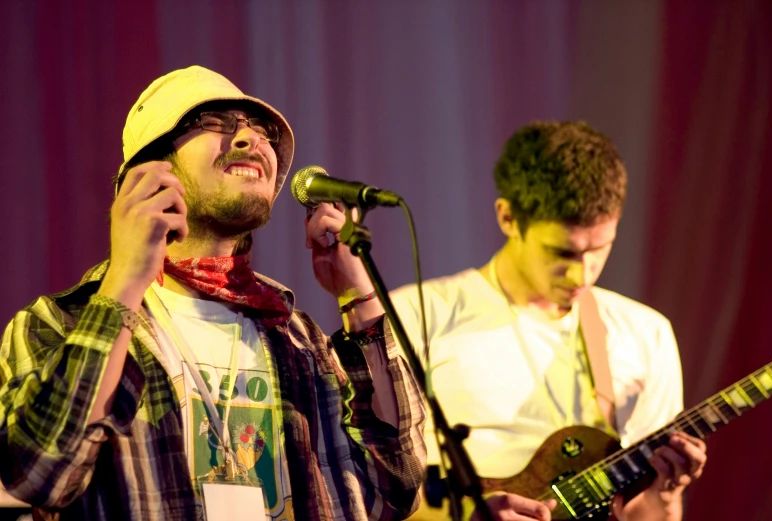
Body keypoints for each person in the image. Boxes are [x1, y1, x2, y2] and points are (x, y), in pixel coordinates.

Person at [0, 65, 426, 521]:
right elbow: (37, 474)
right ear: (149, 171)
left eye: (260, 130)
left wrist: (360, 300)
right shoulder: (58, 324)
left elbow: (396, 490)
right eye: (214, 122)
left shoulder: (299, 340)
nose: (250, 139)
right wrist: (124, 280)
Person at [391, 121, 707, 521]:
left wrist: (665, 493)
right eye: (562, 253)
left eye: (600, 248)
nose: (583, 274)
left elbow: (645, 515)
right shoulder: (416, 315)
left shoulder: (646, 333)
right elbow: (365, 494)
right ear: (508, 218)